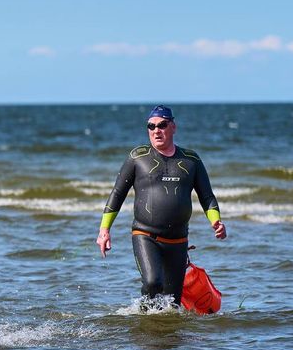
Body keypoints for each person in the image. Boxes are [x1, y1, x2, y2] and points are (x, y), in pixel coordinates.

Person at [96, 105, 228, 307]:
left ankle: (163, 336)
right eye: (151, 126)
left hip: (178, 241)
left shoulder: (191, 160)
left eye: (162, 125)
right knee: (152, 282)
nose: (156, 130)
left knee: (172, 303)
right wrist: (104, 230)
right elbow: (117, 193)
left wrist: (215, 220)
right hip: (146, 236)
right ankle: (143, 321)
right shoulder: (137, 158)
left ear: (173, 127)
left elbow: (207, 196)